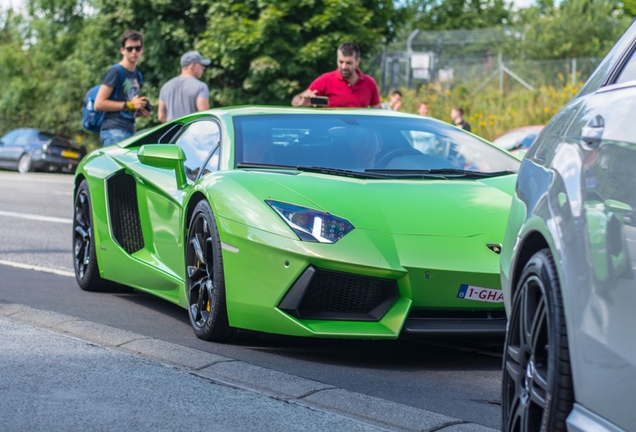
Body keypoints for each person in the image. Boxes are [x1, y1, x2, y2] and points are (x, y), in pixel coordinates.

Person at [95, 30, 150, 146]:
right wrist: (129, 105)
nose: (134, 52)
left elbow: (127, 106)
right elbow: (99, 103)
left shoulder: (138, 75)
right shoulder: (116, 71)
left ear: (142, 49)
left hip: (130, 131)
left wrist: (140, 111)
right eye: (130, 49)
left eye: (137, 48)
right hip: (113, 131)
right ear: (122, 50)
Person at [291, 42, 381, 108]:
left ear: (357, 61)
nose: (344, 66)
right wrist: (302, 102)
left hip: (360, 133)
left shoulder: (369, 82)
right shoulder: (326, 79)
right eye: (341, 62)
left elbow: (377, 112)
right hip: (330, 132)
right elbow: (295, 101)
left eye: (349, 63)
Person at [158, 51, 211, 123]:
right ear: (192, 66)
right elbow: (205, 116)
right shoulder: (201, 87)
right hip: (194, 133)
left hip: (175, 133)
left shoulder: (165, 86)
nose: (203, 68)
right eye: (201, 65)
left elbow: (161, 116)